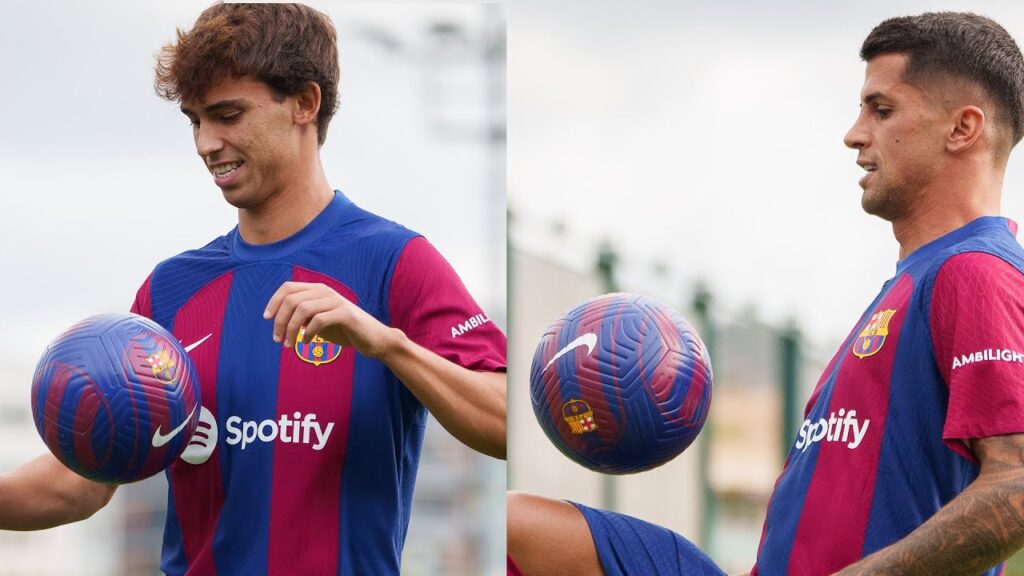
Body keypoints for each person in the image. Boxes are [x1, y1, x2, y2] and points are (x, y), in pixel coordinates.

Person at [508, 11, 1024, 576]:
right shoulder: (913, 280)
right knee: (515, 532)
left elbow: (1018, 488)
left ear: (962, 129)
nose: (854, 134)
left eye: (882, 110)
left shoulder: (977, 272)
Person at [0, 3, 506, 575]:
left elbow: (509, 424)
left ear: (305, 103)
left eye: (228, 115)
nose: (205, 143)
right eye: (195, 120)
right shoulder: (169, 291)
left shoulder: (395, 263)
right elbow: (80, 483)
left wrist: (386, 344)